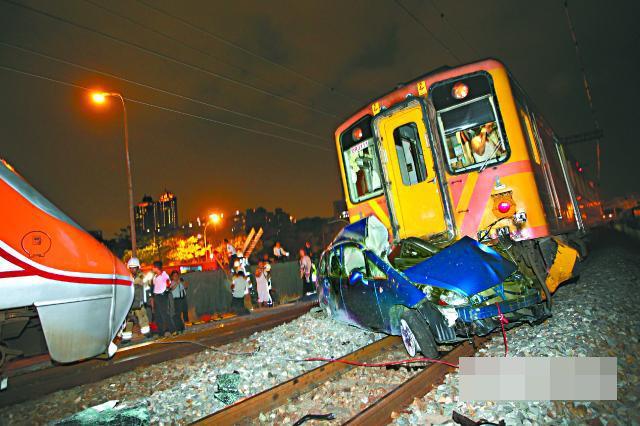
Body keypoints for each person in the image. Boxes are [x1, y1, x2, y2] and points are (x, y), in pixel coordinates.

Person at [123, 257, 150, 341]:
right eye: (131, 267)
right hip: (129, 302)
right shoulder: (127, 276)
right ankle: (126, 338)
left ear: (138, 267)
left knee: (142, 317)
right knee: (128, 319)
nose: (132, 269)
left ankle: (147, 333)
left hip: (138, 301)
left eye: (134, 267)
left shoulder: (141, 276)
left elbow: (146, 286)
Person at [152, 260, 176, 336]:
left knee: (165, 314)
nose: (152, 269)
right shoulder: (155, 276)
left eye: (153, 267)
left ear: (156, 268)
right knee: (158, 315)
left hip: (162, 296)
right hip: (156, 296)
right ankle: (161, 333)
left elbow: (169, 283)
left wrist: (166, 289)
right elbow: (154, 285)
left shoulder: (164, 274)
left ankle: (173, 330)